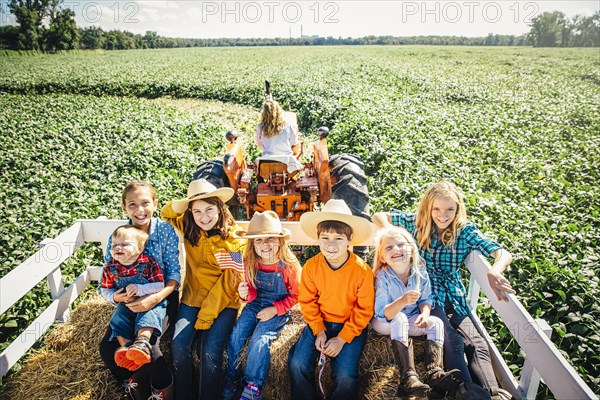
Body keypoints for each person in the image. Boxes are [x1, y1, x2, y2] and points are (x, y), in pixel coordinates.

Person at [373, 180, 515, 400]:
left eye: (450, 209)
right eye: (436, 209)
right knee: (453, 340)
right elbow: (379, 215)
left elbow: (502, 252)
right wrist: (394, 242)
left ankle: (491, 393)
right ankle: (465, 391)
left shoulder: (464, 231)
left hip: (454, 295)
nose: (442, 215)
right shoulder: (415, 224)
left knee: (475, 342)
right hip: (428, 293)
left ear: (458, 209)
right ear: (428, 208)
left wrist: (495, 271)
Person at [162, 179, 245, 400]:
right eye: (197, 211)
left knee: (209, 351)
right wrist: (184, 205)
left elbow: (229, 284)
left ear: (220, 207)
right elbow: (166, 213)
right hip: (192, 298)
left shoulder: (234, 240)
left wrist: (205, 317)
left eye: (209, 209)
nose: (204, 217)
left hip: (224, 302)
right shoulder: (190, 227)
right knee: (178, 345)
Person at [99, 180, 181, 400]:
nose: (139, 210)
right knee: (107, 348)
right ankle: (136, 387)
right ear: (124, 207)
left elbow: (174, 277)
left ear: (154, 203)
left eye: (145, 203)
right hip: (129, 300)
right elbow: (106, 280)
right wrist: (117, 297)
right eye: (132, 204)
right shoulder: (118, 236)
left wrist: (153, 299)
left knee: (150, 346)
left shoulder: (165, 230)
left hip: (162, 296)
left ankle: (162, 391)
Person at [288, 199, 374, 400]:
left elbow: (364, 310)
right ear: (318, 239)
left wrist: (342, 338)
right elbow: (307, 301)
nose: (331, 245)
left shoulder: (362, 271)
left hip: (351, 326)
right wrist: (318, 330)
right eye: (325, 237)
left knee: (345, 375)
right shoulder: (311, 267)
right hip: (321, 322)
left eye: (338, 238)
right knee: (297, 364)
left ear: (350, 239)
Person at [371, 226, 461, 398]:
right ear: (382, 257)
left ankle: (434, 371)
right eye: (389, 247)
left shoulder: (419, 272)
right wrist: (402, 300)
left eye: (401, 245)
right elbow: (383, 313)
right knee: (400, 317)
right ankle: (408, 377)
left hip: (408, 320)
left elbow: (426, 299)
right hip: (384, 322)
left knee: (437, 322)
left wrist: (425, 314)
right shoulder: (382, 277)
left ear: (411, 249)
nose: (396, 249)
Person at [223, 211, 301, 400]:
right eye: (258, 240)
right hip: (255, 304)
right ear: (252, 244)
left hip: (277, 307)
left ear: (280, 241)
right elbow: (251, 294)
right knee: (236, 335)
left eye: (270, 239)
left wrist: (275, 309)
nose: (265, 244)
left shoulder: (287, 266)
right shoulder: (249, 262)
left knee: (259, 341)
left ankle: (253, 385)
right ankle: (232, 379)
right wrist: (244, 294)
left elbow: (296, 295)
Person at [100, 225, 166, 372]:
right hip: (126, 303)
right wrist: (115, 297)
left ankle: (142, 342)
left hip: (148, 300)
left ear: (140, 248)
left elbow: (159, 285)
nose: (118, 248)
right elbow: (105, 289)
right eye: (114, 245)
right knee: (117, 319)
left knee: (149, 316)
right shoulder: (110, 267)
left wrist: (139, 289)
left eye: (124, 244)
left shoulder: (148, 263)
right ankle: (126, 346)